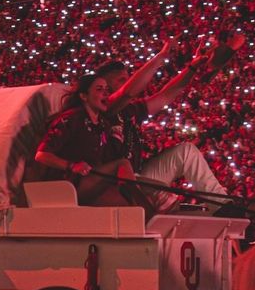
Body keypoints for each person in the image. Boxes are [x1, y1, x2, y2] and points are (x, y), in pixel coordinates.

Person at [35, 67, 230, 215]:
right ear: (85, 95)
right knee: (130, 172)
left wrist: (193, 68)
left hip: (129, 179)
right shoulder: (93, 114)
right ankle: (153, 209)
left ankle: (223, 206)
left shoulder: (110, 117)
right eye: (121, 80)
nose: (129, 83)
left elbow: (166, 95)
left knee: (187, 151)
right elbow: (42, 154)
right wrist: (161, 56)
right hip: (103, 182)